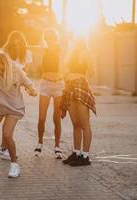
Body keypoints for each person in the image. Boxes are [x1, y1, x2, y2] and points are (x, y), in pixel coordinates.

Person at [60, 37, 96, 166]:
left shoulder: (86, 53)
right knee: (76, 124)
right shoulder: (70, 53)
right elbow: (63, 69)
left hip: (81, 86)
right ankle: (76, 153)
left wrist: (88, 58)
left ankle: (85, 156)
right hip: (70, 87)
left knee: (84, 124)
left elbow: (92, 72)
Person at [0, 31, 33, 160]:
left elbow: (24, 73)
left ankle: (3, 147)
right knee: (7, 117)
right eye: (14, 43)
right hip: (5, 87)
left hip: (16, 88)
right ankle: (4, 148)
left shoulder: (27, 54)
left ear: (22, 43)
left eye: (19, 43)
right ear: (11, 42)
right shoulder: (5, 52)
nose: (17, 45)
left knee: (9, 118)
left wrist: (28, 87)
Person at [34, 28, 64, 159]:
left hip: (58, 85)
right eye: (47, 37)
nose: (49, 38)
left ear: (55, 37)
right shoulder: (43, 50)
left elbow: (65, 65)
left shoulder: (61, 49)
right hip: (45, 84)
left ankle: (57, 147)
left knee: (56, 118)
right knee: (41, 118)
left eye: (51, 36)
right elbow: (31, 48)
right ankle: (40, 143)